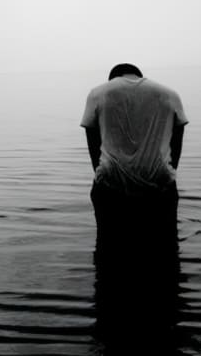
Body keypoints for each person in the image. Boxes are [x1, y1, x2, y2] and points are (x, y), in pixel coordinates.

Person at [80, 63, 188, 240]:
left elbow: (93, 142)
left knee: (108, 243)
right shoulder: (169, 94)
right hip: (159, 181)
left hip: (111, 181)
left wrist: (100, 173)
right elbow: (177, 137)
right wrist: (169, 171)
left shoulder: (98, 94)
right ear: (139, 76)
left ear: (113, 79)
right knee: (165, 243)